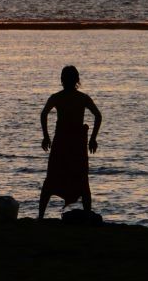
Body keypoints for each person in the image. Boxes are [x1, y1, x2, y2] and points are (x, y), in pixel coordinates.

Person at [38, 65, 102, 219]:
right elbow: (98, 116)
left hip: (64, 143)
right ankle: (86, 215)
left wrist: (46, 136)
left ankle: (40, 216)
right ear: (77, 81)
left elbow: (44, 114)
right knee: (81, 181)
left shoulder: (57, 97)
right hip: (73, 145)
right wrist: (93, 138)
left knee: (52, 180)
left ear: (62, 80)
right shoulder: (82, 98)